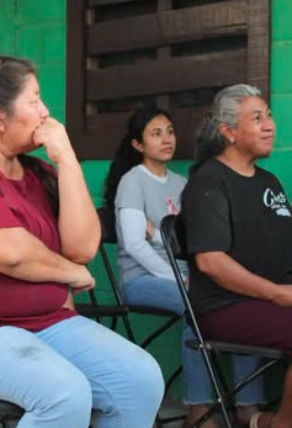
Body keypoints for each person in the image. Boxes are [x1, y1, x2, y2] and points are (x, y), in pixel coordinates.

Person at [0, 56, 164, 428]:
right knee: (64, 393)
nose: (46, 112)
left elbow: (84, 247)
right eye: (35, 100)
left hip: (42, 324)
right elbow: (11, 254)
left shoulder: (37, 172)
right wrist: (69, 273)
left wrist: (67, 159)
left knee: (139, 379)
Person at [181, 84, 292, 428]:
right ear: (229, 132)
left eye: (269, 116)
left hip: (277, 299)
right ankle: (280, 424)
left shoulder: (269, 181)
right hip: (225, 305)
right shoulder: (209, 182)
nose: (270, 125)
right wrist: (277, 292)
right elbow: (211, 262)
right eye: (256, 118)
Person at [103, 107, 264, 428]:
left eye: (170, 132)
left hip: (187, 276)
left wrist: (160, 237)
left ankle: (247, 405)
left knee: (245, 302)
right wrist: (181, 278)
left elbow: (193, 240)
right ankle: (199, 409)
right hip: (143, 279)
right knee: (198, 307)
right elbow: (135, 244)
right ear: (138, 145)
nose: (166, 139)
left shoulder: (182, 183)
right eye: (155, 134)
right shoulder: (132, 181)